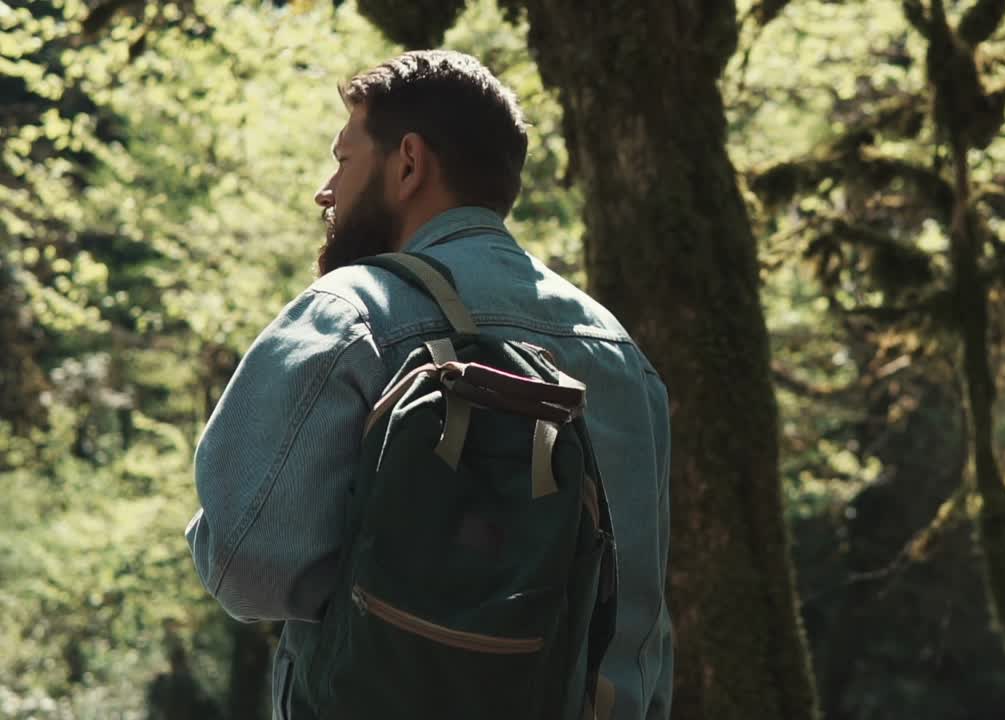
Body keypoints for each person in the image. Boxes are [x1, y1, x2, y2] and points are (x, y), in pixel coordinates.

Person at [185, 49, 673, 720]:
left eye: (344, 159)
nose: (325, 190)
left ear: (408, 163)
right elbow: (640, 627)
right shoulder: (618, 352)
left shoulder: (354, 313)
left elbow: (247, 566)